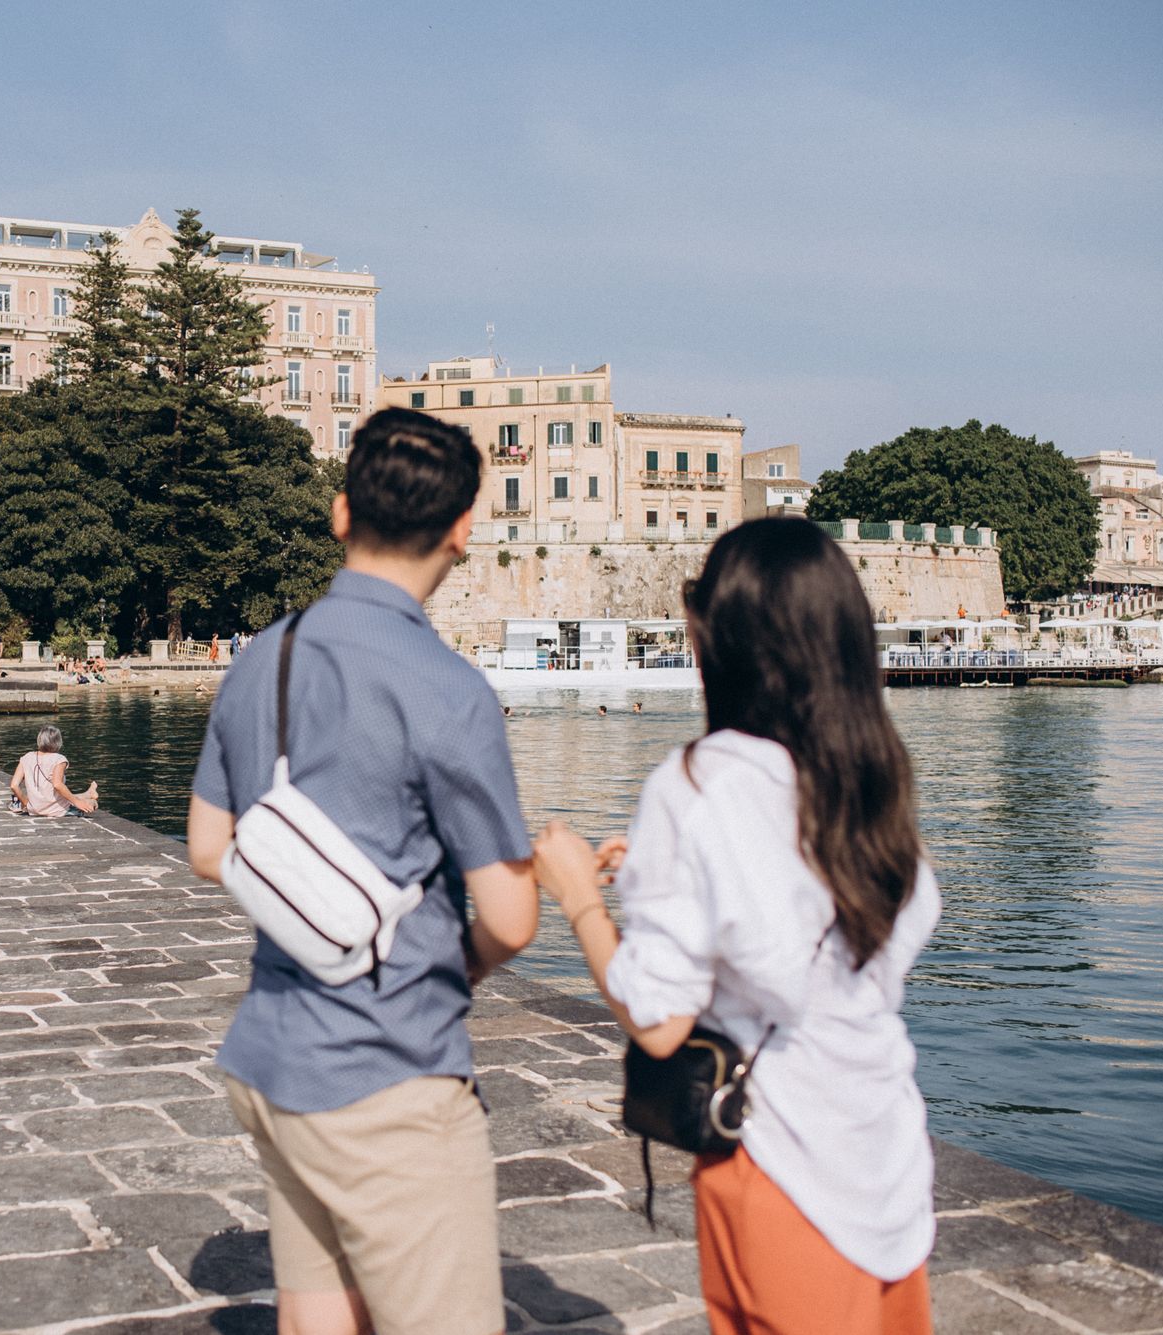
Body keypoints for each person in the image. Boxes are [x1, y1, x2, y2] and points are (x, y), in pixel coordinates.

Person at [532, 518, 940, 1335]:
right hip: (887, 1160)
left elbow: (658, 1019)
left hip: (779, 1165)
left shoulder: (699, 784)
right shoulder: (868, 775)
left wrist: (578, 895)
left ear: (727, 640)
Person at [184, 407, 538, 1335]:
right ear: (464, 529)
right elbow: (509, 914)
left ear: (340, 513)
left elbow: (207, 846)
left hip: (273, 1056)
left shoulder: (264, 656)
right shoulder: (449, 688)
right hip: (388, 1073)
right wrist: (448, 964)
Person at [9, 725, 99, 817]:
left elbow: (14, 785)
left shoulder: (26, 757)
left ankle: (88, 793)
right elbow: (57, 785)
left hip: (34, 809)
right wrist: (77, 803)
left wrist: (26, 803)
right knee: (92, 802)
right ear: (58, 741)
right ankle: (90, 796)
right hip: (56, 810)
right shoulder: (59, 759)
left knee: (65, 796)